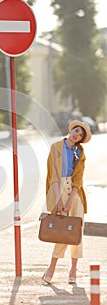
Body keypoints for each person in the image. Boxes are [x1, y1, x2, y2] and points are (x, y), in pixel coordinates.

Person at [42, 119, 92, 284]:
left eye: (81, 134)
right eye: (77, 131)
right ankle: (52, 267)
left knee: (76, 230)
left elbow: (79, 178)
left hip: (75, 193)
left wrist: (71, 200)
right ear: (71, 130)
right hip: (59, 189)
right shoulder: (56, 147)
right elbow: (53, 176)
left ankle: (73, 270)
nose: (77, 135)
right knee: (62, 230)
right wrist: (58, 199)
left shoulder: (80, 152)